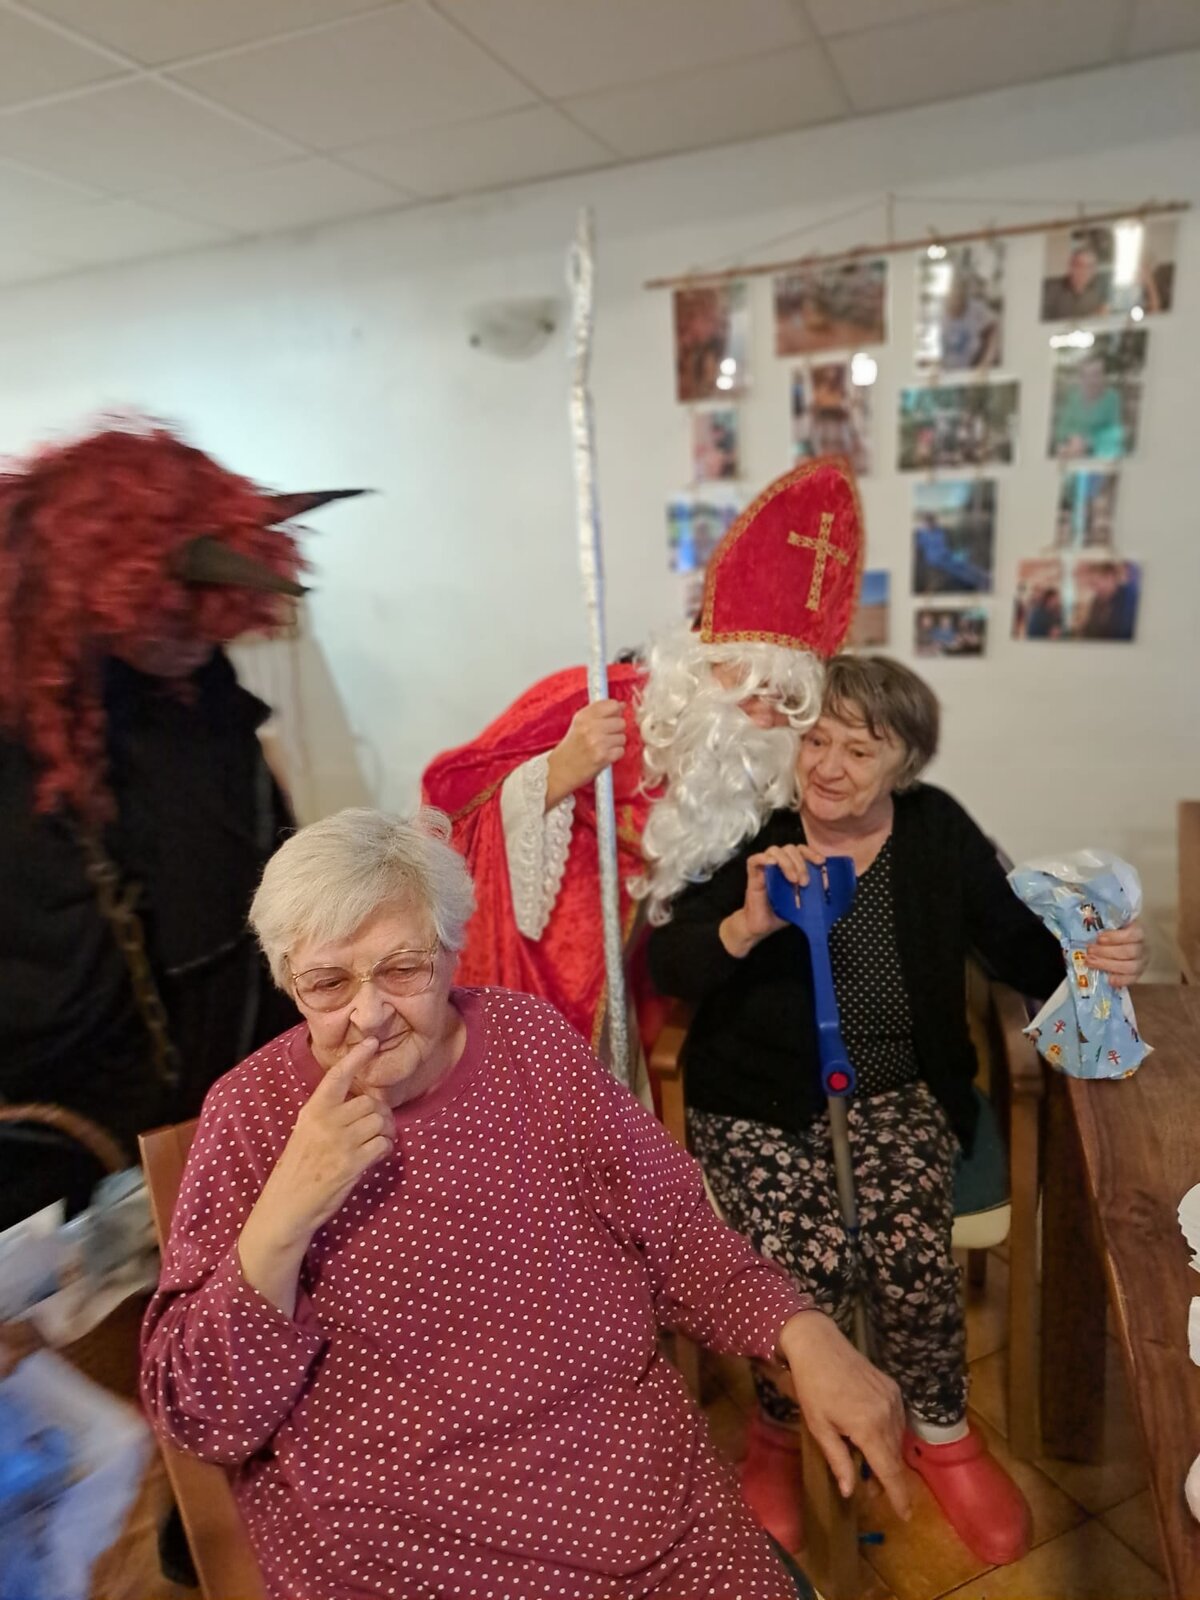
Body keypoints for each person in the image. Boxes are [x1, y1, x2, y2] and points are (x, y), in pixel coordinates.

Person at [140, 807, 910, 1600]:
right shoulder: (252, 1117)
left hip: (644, 1513)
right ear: (288, 979)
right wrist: (284, 1216)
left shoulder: (528, 1043)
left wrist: (801, 1330)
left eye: (402, 969)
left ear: (450, 951)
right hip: (402, 1557)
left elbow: (673, 1227)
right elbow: (203, 1413)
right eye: (329, 983)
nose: (368, 1015)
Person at [646, 655, 1145, 1564]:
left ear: (903, 765)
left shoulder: (934, 829)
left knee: (908, 1245)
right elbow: (669, 962)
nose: (829, 767)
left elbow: (1018, 949)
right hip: (756, 1096)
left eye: (861, 750)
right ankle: (781, 1431)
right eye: (818, 741)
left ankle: (940, 1433)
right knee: (803, 1265)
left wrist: (1093, 953)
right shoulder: (753, 825)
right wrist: (746, 924)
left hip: (897, 1089)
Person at [0, 420, 363, 1227]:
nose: (201, 640)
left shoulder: (204, 703)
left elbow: (262, 872)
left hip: (237, 1088)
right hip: (80, 1153)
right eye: (179, 618)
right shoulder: (24, 745)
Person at [421, 460, 863, 1062]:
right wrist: (555, 775)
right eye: (747, 687)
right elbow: (448, 801)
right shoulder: (592, 700)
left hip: (637, 997)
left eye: (784, 701)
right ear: (700, 660)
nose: (762, 717)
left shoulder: (757, 773)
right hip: (529, 982)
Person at [1053, 354, 1125, 459]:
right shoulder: (1073, 396)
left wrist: (1087, 442)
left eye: (1098, 374)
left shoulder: (1112, 398)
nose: (1093, 380)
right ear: (1081, 378)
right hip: (1073, 450)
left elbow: (1115, 432)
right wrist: (1073, 438)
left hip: (1101, 452)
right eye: (1088, 375)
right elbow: (1061, 429)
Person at [938, 272, 999, 371]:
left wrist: (987, 361)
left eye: (958, 298)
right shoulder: (943, 311)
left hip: (971, 369)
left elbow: (994, 327)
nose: (954, 304)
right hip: (949, 370)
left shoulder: (976, 309)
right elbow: (942, 347)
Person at [1042, 239, 1110, 321]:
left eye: (1089, 267)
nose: (1084, 271)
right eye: (1079, 265)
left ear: (1093, 271)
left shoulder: (1098, 294)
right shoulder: (1050, 289)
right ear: (1070, 267)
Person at [1078, 560, 1138, 641]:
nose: (1094, 589)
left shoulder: (1130, 597)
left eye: (1095, 583)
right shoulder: (1097, 600)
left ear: (1110, 577)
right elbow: (1090, 630)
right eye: (1092, 585)